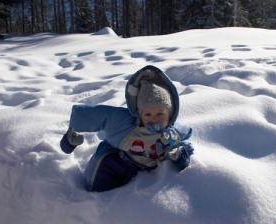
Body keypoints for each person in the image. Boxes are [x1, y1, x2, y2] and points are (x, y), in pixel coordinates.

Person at [60, 65, 194, 192]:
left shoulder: (174, 132)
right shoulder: (125, 123)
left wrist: (182, 153)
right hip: (121, 160)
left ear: (170, 114)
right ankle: (93, 201)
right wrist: (69, 138)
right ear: (140, 114)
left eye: (160, 113)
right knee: (102, 175)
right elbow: (87, 115)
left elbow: (187, 138)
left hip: (147, 167)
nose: (154, 119)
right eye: (148, 114)